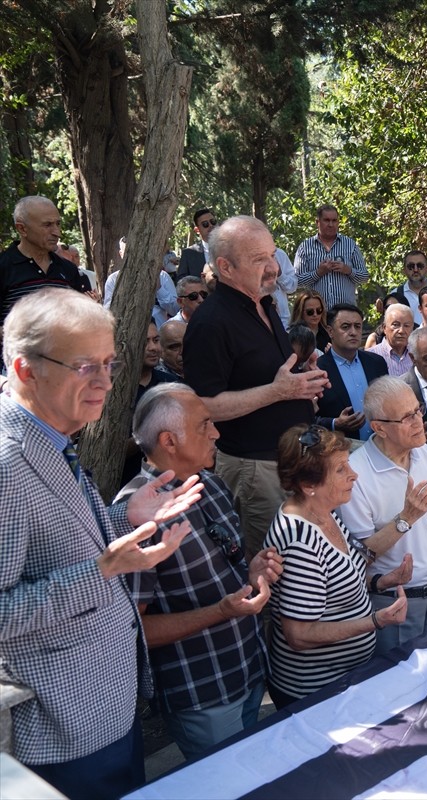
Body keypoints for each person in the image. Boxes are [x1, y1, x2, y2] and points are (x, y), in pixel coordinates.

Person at [0, 288, 200, 798]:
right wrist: (101, 571)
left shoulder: (51, 434)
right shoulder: (7, 463)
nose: (107, 381)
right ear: (26, 369)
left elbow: (65, 543)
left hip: (105, 706)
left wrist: (120, 517)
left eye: (110, 363)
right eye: (85, 366)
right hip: (65, 730)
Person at [118, 384, 283, 761]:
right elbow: (132, 630)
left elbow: (231, 565)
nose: (217, 433)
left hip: (248, 668)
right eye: (205, 424)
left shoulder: (209, 482)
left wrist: (253, 569)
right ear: (168, 441)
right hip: (202, 693)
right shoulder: (136, 515)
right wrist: (221, 611)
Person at [184, 216, 329, 556]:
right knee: (273, 570)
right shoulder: (211, 323)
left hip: (292, 460)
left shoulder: (263, 304)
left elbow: (270, 376)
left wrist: (303, 381)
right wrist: (280, 392)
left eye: (273, 255)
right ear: (226, 267)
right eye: (259, 259)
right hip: (255, 470)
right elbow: (202, 405)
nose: (274, 268)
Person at [264, 424, 412, 707]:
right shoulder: (299, 540)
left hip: (343, 681)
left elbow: (335, 583)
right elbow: (299, 635)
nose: (353, 475)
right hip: (314, 693)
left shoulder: (325, 513)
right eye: (341, 470)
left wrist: (381, 582)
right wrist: (375, 621)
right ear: (309, 486)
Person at [338, 378, 427, 648]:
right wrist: (405, 519)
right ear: (379, 427)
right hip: (396, 604)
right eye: (406, 417)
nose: (419, 421)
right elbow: (358, 559)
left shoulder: (424, 453)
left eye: (417, 410)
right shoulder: (355, 475)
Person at [0, 196, 90, 328]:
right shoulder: (4, 267)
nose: (57, 232)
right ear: (22, 229)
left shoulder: (68, 269)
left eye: (58, 224)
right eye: (47, 225)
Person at [315, 304, 388, 439]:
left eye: (357, 326)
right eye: (345, 327)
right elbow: (307, 419)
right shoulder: (317, 369)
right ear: (330, 331)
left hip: (380, 446)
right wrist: (334, 423)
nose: (353, 332)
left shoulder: (377, 363)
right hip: (340, 450)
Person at [294, 204, 368, 309]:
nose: (330, 224)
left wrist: (348, 270)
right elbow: (297, 281)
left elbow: (364, 277)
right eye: (326, 220)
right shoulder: (305, 247)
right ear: (317, 222)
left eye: (334, 221)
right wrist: (318, 273)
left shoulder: (350, 245)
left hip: (345, 312)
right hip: (317, 314)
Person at [368, 302, 416, 377]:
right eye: (396, 325)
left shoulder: (418, 355)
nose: (401, 331)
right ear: (384, 328)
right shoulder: (371, 356)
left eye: (406, 326)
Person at [179, 208, 218, 281]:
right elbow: (182, 282)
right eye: (205, 224)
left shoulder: (230, 248)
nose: (210, 225)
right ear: (197, 230)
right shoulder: (188, 254)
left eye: (213, 222)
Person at [290, 288, 332, 353]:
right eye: (310, 311)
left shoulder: (329, 333)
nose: (315, 314)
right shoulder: (292, 335)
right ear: (300, 312)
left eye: (319, 310)